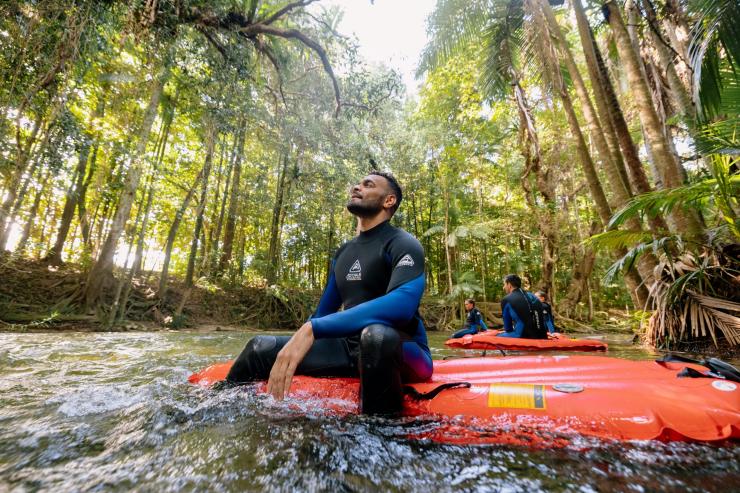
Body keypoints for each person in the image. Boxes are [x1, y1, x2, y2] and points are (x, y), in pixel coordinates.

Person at [224, 171, 433, 415]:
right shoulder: (344, 253)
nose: (357, 187)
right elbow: (323, 311)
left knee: (375, 337)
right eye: (357, 183)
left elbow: (402, 305)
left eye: (368, 185)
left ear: (389, 201)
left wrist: (316, 328)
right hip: (348, 349)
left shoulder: (403, 243)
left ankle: (381, 436)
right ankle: (216, 411)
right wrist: (300, 338)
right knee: (259, 346)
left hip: (403, 349)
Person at [498, 274, 548, 339]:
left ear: (509, 285)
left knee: (497, 337)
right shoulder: (533, 296)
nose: (503, 287)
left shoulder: (506, 300)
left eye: (504, 284)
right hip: (542, 335)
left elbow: (508, 328)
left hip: (523, 336)